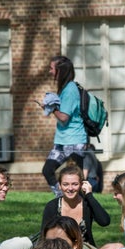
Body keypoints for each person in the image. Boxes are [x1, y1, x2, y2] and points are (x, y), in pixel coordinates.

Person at [39, 56, 88, 197]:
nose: (50, 71)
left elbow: (64, 118)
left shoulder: (70, 90)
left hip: (74, 141)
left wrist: (51, 107)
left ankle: (84, 207)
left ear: (60, 70)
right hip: (62, 140)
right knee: (48, 170)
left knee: (76, 181)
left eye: (51, 68)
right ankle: (62, 197)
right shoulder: (65, 89)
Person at [41, 164, 110, 249]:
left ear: (82, 184)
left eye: (75, 184)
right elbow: (44, 235)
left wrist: (89, 195)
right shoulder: (52, 206)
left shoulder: (87, 204)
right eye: (65, 184)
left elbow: (104, 222)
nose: (70, 188)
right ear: (59, 185)